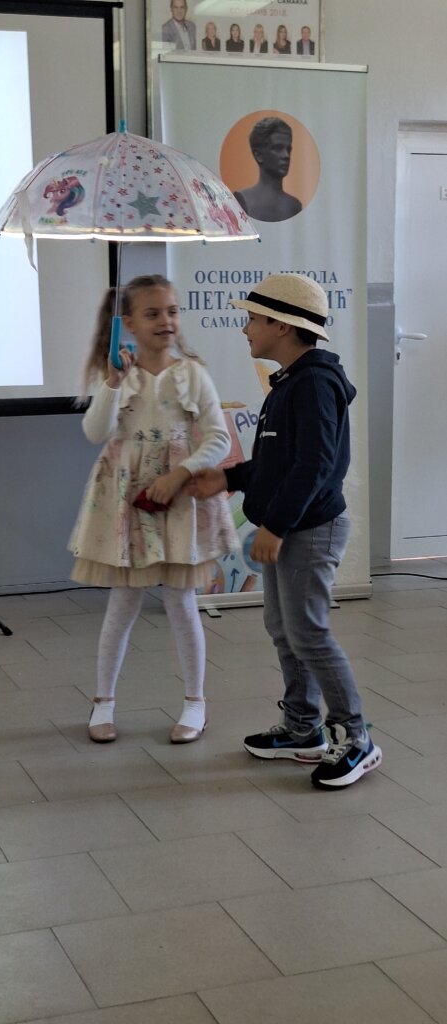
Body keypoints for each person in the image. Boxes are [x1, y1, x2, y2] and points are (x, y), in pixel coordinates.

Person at [187, 273, 382, 790]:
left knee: (309, 633)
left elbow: (316, 465)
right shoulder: (291, 381)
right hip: (292, 525)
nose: (245, 328)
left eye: (253, 318)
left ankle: (356, 738)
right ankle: (302, 727)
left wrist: (275, 525)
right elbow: (280, 461)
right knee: (284, 627)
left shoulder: (313, 383)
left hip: (309, 529)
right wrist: (228, 479)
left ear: (282, 325)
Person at [69, 275, 238, 745]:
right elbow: (95, 431)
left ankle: (195, 702)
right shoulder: (118, 376)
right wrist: (113, 384)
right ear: (128, 323)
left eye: (172, 311)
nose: (166, 321)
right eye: (153, 313)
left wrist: (179, 474)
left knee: (182, 601)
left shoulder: (192, 374)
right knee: (123, 601)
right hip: (127, 499)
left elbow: (218, 437)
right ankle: (103, 701)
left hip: (178, 497)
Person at [233, 117, 302, 222]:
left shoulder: (294, 205)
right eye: (278, 148)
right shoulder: (242, 199)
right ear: (259, 155)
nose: (286, 155)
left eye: (288, 149)